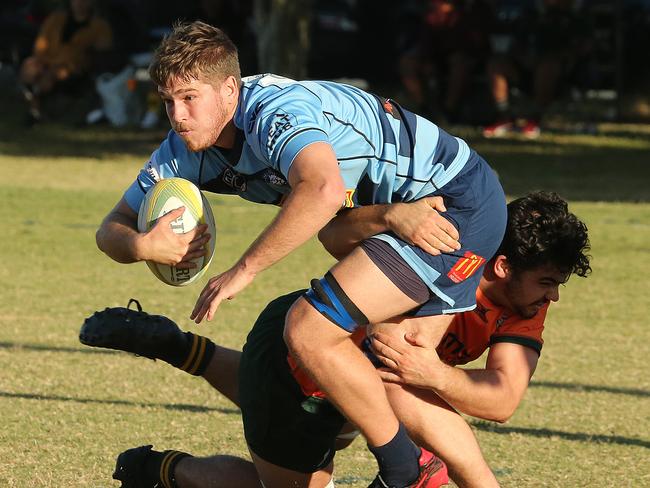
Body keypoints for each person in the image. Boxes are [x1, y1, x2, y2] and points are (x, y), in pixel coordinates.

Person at [95, 21, 507, 487]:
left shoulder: (275, 112)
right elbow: (110, 229)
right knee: (391, 367)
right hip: (387, 219)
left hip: (451, 201)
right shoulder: (185, 150)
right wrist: (142, 244)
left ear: (230, 89)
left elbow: (323, 189)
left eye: (190, 97)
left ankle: (403, 469)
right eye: (168, 101)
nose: (178, 114)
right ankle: (408, 467)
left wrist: (242, 271)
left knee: (311, 332)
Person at [84, 191, 590, 487]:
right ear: (502, 266)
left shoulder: (524, 302)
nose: (553, 298)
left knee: (354, 405)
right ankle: (165, 470)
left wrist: (435, 375)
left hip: (339, 386)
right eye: (548, 282)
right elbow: (333, 235)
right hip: (293, 352)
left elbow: (501, 398)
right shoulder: (441, 249)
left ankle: (177, 346)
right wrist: (392, 215)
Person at [18, 0, 113, 124]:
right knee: (29, 68)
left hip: (71, 67)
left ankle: (35, 110)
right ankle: (35, 107)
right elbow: (40, 44)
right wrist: (42, 60)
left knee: (50, 76)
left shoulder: (99, 26)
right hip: (46, 60)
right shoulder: (56, 19)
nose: (79, 3)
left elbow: (104, 51)